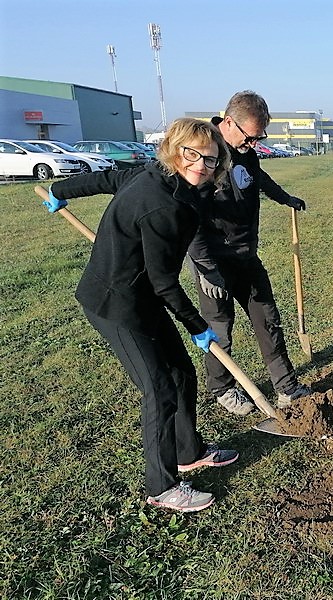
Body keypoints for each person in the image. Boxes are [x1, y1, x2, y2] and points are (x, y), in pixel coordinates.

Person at [44, 118, 239, 513]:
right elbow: (165, 281)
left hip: (142, 294)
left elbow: (107, 179)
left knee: (181, 371)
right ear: (175, 149)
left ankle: (189, 451)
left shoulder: (157, 175)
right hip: (117, 303)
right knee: (160, 388)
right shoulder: (164, 205)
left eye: (211, 159)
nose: (202, 164)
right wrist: (198, 326)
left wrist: (60, 189)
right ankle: (162, 486)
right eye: (193, 154)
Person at [188, 91, 311, 417]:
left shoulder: (247, 153)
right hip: (213, 260)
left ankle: (286, 387)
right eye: (250, 137)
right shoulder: (204, 154)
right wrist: (204, 265)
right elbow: (188, 216)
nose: (254, 144)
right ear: (228, 123)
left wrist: (285, 198)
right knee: (220, 328)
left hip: (246, 255)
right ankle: (222, 389)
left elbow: (259, 178)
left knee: (267, 318)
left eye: (259, 138)